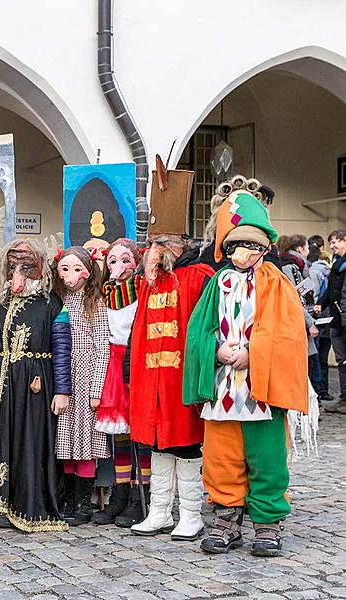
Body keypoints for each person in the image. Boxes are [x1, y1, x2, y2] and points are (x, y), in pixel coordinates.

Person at [184, 188, 308, 557]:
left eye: (251, 246)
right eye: (236, 245)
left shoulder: (276, 283)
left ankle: (268, 522)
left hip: (262, 388)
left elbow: (288, 331)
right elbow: (198, 331)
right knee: (222, 456)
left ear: (264, 247)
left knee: (266, 456)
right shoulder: (216, 284)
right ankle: (226, 517)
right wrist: (215, 350)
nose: (243, 253)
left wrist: (253, 353)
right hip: (223, 388)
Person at [129, 173, 215, 542]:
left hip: (183, 380)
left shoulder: (199, 276)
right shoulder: (149, 280)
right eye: (150, 243)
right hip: (153, 381)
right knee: (158, 443)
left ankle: (191, 515)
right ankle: (160, 511)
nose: (152, 250)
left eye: (159, 243)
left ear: (177, 243)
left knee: (185, 443)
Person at [0, 239, 72, 532]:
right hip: (3, 383)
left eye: (26, 266)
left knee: (32, 441)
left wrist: (63, 390)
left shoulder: (52, 304)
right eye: (14, 265)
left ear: (39, 268)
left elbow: (62, 349)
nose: (19, 271)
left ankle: (30, 506)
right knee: (2, 439)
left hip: (36, 385)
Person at [92, 239, 151, 528]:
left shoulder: (143, 291)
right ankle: (121, 490)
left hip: (136, 360)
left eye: (125, 260)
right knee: (120, 434)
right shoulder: (104, 294)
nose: (118, 267)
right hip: (112, 365)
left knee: (140, 431)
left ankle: (142, 495)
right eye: (112, 261)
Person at [52, 246, 110, 526]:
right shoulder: (57, 300)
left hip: (85, 377)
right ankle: (67, 497)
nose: (70, 276)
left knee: (84, 442)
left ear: (88, 271)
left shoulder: (95, 302)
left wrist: (96, 389)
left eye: (77, 269)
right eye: (65, 269)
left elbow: (102, 347)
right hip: (63, 376)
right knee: (64, 441)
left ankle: (83, 502)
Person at [279, 235, 321, 400]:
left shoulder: (296, 264)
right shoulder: (291, 267)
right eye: (306, 247)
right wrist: (310, 322)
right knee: (305, 366)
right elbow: (294, 298)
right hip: (297, 321)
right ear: (300, 248)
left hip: (301, 318)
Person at [317, 229, 346, 414]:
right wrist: (321, 303)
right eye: (331, 243)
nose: (332, 246)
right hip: (337, 320)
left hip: (343, 318)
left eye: (335, 242)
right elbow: (331, 289)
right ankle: (344, 399)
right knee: (342, 361)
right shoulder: (335, 264)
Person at [307, 237, 332, 402]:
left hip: (316, 317)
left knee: (315, 357)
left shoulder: (312, 271)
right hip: (329, 317)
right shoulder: (330, 271)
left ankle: (317, 391)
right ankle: (324, 389)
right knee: (323, 357)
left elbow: (314, 295)